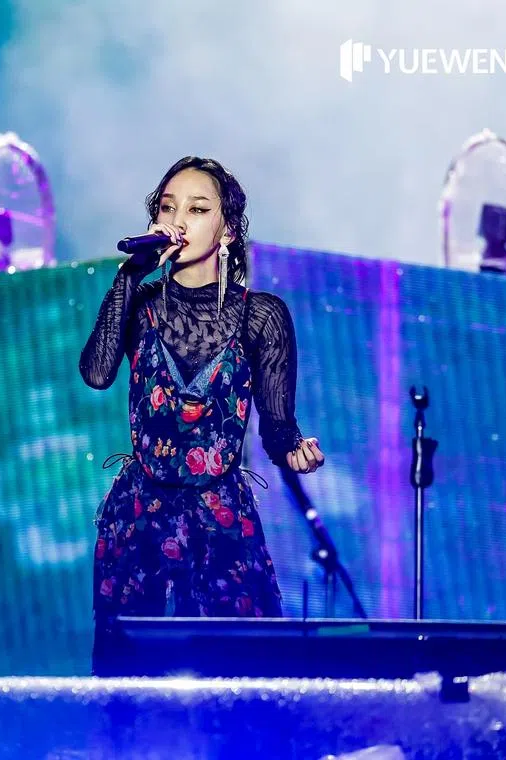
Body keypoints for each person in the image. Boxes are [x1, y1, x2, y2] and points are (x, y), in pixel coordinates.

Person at [79, 156, 324, 674]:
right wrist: (129, 275)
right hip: (140, 515)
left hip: (219, 515)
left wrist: (295, 450)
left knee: (240, 671)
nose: (178, 220)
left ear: (227, 230)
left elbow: (277, 428)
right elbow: (97, 373)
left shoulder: (262, 315)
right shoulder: (140, 303)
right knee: (130, 676)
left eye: (197, 209)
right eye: (168, 208)